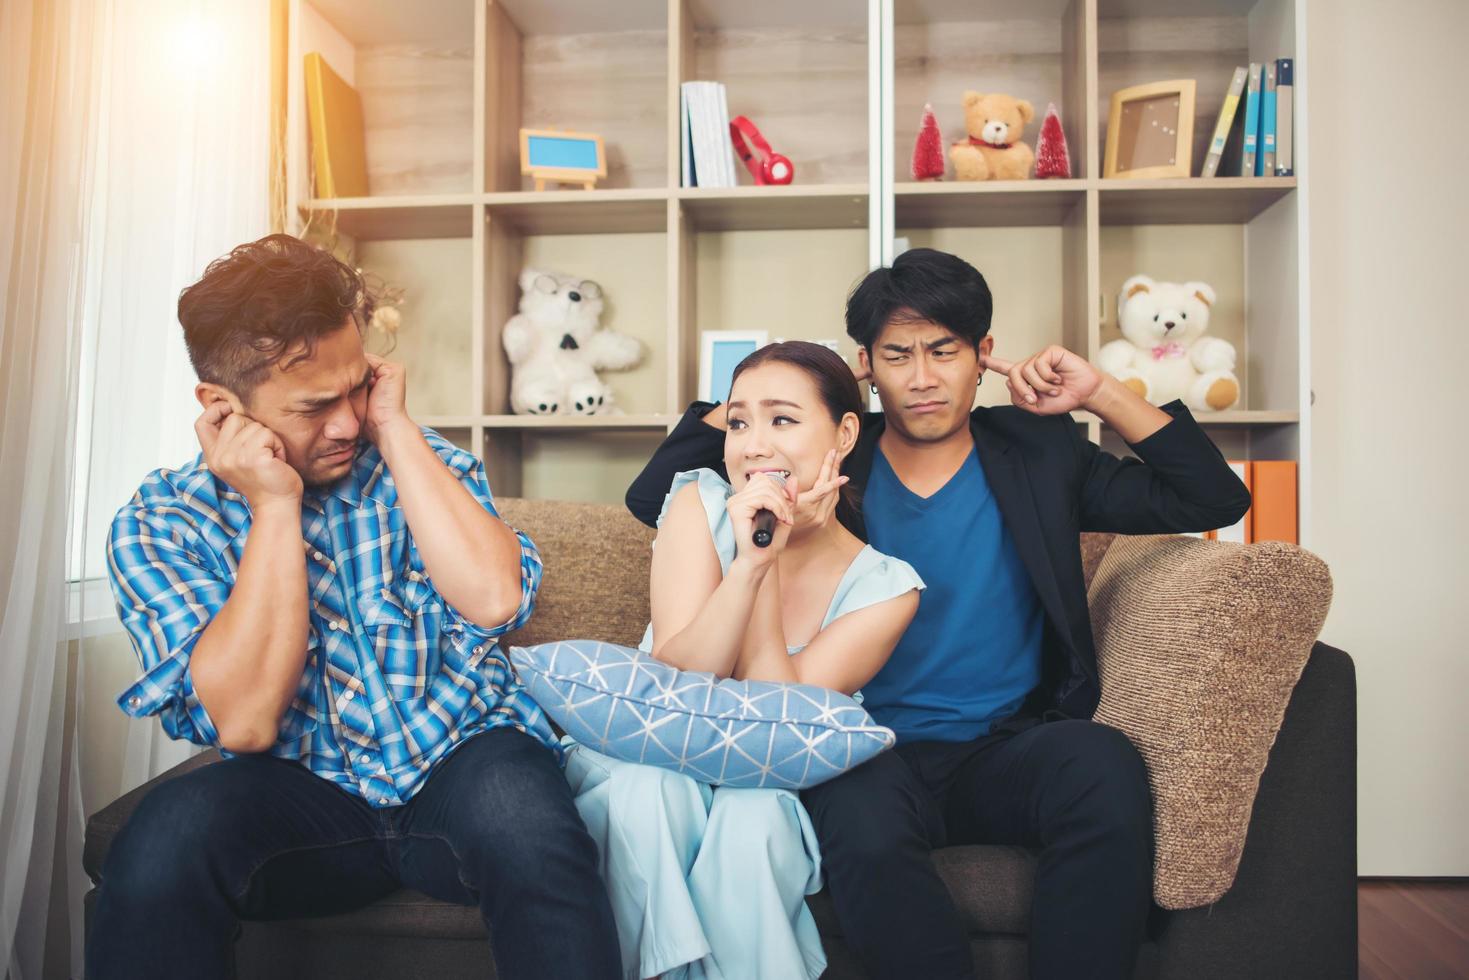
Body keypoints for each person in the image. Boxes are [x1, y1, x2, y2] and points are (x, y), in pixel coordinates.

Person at [625, 248, 1252, 979]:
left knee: (1101, 763)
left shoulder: (1040, 451)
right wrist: (809, 385)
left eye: (943, 352)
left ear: (984, 354)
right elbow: (658, 498)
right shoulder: (830, 458)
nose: (920, 379)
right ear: (867, 366)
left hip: (1002, 746)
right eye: (895, 356)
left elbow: (1211, 500)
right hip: (858, 744)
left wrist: (1100, 393)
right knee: (862, 827)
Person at [89, 234, 620, 979]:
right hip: (299, 798)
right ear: (221, 407)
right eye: (314, 405)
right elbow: (243, 723)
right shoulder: (160, 523)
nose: (345, 423)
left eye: (357, 387)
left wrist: (395, 428)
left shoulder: (419, 461)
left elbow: (497, 601)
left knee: (526, 821)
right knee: (162, 839)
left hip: (462, 762)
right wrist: (274, 509)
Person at [565, 341, 924, 980]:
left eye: (782, 419)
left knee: (754, 821)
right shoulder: (696, 504)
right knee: (649, 795)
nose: (752, 445)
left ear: (844, 434)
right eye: (738, 422)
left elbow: (777, 720)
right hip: (649, 751)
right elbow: (679, 677)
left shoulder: (886, 588)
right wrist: (751, 560)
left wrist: (768, 559)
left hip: (767, 777)